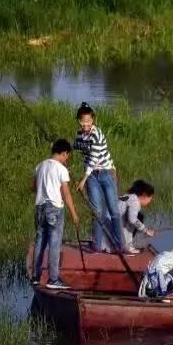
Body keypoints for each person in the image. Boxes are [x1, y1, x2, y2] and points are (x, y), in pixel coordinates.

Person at [73, 103, 125, 253]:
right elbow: (76, 145)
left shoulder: (97, 134)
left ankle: (118, 245)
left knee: (113, 211)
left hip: (106, 173)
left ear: (93, 120)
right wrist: (63, 146)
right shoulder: (80, 135)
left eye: (88, 122)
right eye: (83, 122)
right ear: (78, 121)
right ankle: (96, 245)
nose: (86, 125)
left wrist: (83, 180)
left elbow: (93, 159)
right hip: (91, 177)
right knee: (97, 212)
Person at [31, 139, 79, 290]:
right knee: (54, 243)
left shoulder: (40, 166)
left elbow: (33, 187)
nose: (67, 159)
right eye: (67, 156)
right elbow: (65, 193)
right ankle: (53, 279)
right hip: (54, 208)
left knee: (40, 242)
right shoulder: (61, 169)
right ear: (64, 153)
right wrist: (74, 213)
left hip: (40, 207)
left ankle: (36, 276)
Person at [118, 179, 156, 254]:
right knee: (139, 217)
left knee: (138, 217)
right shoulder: (135, 201)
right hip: (114, 230)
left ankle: (127, 245)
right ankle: (127, 247)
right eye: (150, 198)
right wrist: (146, 230)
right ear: (144, 195)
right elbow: (132, 219)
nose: (150, 201)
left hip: (110, 227)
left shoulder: (128, 196)